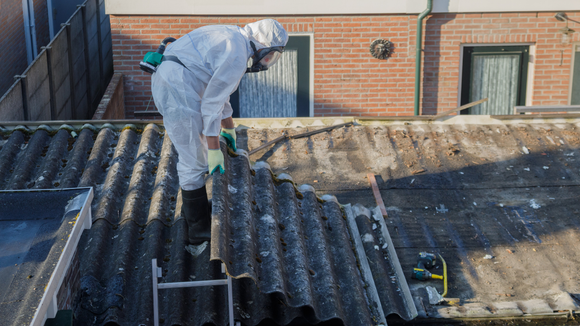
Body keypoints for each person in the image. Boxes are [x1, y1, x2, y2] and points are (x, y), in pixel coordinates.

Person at [151, 19, 288, 245]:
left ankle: (197, 212)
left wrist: (229, 129)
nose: (266, 61)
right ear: (261, 44)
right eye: (269, 55)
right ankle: (198, 229)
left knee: (198, 153)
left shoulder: (235, 38)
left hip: (179, 80)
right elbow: (211, 104)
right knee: (195, 160)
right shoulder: (236, 55)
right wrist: (214, 149)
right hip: (177, 88)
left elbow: (219, 92)